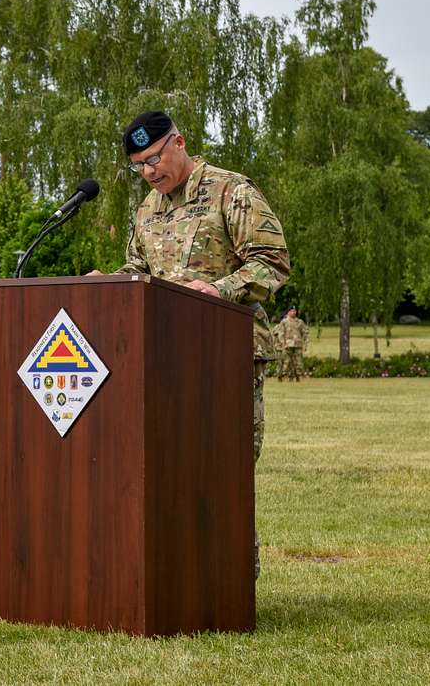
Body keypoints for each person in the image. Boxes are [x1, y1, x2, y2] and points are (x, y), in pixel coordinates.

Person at [103, 109, 290, 577]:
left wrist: (219, 290)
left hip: (225, 354)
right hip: (164, 359)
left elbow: (273, 261)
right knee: (169, 472)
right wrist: (107, 284)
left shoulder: (232, 190)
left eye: (154, 159)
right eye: (139, 166)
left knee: (224, 471)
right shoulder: (147, 210)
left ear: (179, 142)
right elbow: (138, 274)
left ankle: (231, 586)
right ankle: (179, 581)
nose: (149, 172)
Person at [276, 307, 308, 382]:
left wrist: (305, 343)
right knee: (286, 362)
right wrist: (283, 343)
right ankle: (282, 376)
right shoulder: (284, 322)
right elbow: (281, 333)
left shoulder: (300, 322)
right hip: (288, 344)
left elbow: (305, 332)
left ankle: (298, 376)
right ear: (288, 312)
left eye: (295, 311)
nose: (294, 312)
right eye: (292, 311)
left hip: (298, 344)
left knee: (298, 361)